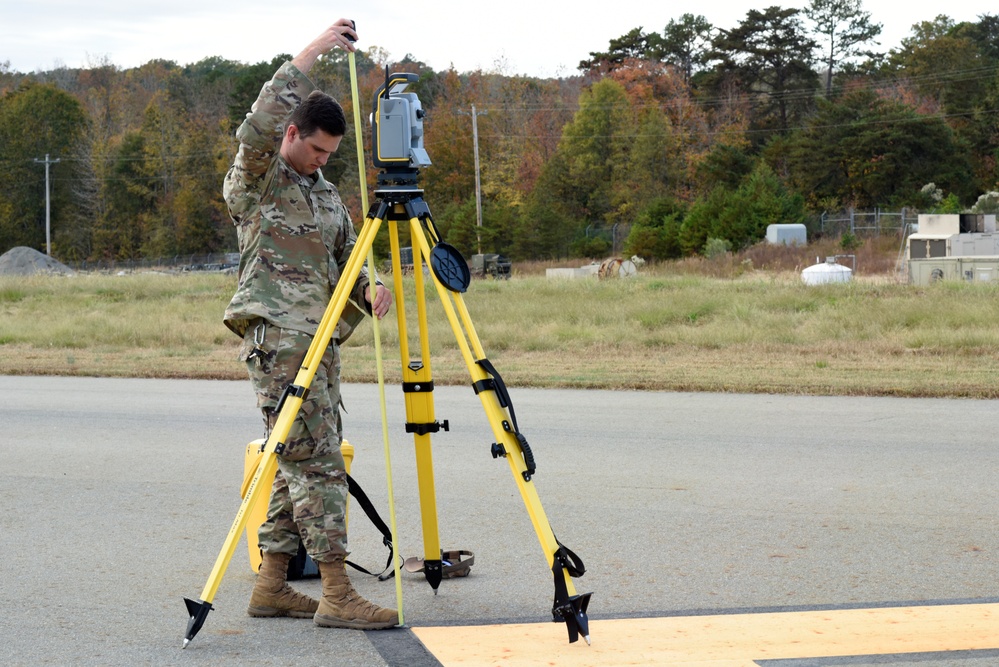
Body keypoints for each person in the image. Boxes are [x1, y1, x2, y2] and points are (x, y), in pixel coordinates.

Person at [222, 19, 396, 630]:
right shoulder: (258, 178)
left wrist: (372, 285)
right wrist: (317, 48)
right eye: (316, 149)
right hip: (277, 341)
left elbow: (348, 255)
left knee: (295, 458)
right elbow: (260, 119)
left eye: (330, 154)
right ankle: (338, 593)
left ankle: (271, 584)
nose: (322, 161)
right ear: (293, 134)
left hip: (322, 342)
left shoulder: (325, 195)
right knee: (317, 460)